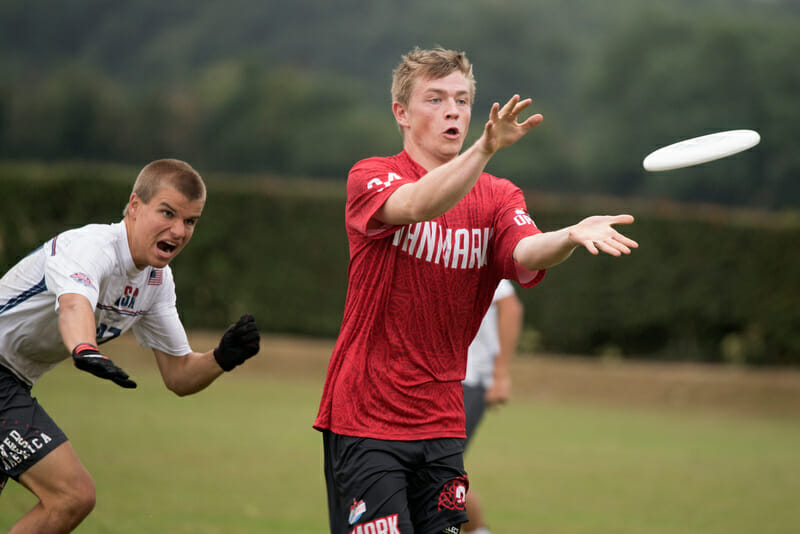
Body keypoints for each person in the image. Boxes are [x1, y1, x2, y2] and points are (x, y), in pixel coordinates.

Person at [314, 46, 638, 534]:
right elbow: (420, 204)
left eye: (462, 100)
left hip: (443, 423)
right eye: (436, 98)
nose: (453, 110)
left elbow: (527, 252)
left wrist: (568, 236)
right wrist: (483, 149)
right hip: (366, 418)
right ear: (401, 113)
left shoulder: (499, 196)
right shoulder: (372, 175)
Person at [0, 159, 260, 533]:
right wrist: (84, 348)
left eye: (190, 221)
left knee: (70, 498)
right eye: (167, 213)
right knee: (72, 495)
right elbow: (74, 305)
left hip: (14, 382)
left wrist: (223, 357)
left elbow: (179, 375)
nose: (178, 230)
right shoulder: (90, 247)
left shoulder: (156, 282)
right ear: (135, 206)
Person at [461, 279, 523, 534]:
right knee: (432, 473)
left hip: (469, 379)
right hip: (436, 380)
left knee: (437, 473)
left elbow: (511, 307)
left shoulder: (471, 246)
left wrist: (500, 374)